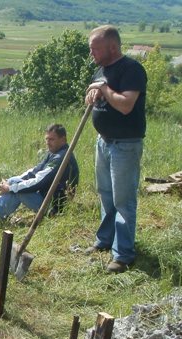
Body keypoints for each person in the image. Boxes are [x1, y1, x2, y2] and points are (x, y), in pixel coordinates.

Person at [85, 25, 147, 274]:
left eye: (95, 49)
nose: (92, 54)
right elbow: (97, 95)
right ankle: (105, 240)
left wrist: (103, 89)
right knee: (106, 194)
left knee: (123, 200)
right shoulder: (102, 69)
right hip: (104, 141)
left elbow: (125, 105)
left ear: (112, 46)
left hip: (125, 144)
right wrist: (92, 94)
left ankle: (123, 255)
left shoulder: (132, 70)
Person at [0, 124, 79, 229]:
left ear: (63, 139)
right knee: (14, 181)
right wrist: (9, 181)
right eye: (46, 139)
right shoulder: (54, 153)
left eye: (52, 139)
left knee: (17, 189)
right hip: (46, 198)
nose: (48, 143)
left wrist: (10, 188)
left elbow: (39, 181)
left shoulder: (61, 157)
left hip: (55, 208)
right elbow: (35, 171)